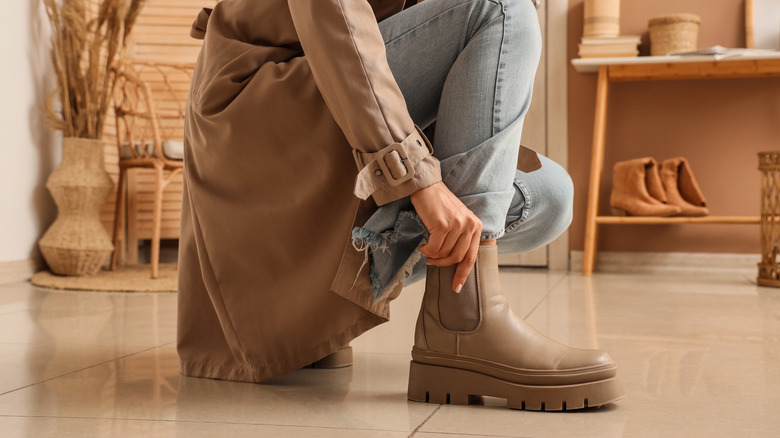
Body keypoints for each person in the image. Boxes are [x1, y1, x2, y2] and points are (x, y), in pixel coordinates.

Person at [178, 0, 624, 411]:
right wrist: (416, 178)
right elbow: (336, 19)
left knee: (547, 194)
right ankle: (462, 321)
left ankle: (318, 307)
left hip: (318, 111)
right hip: (261, 107)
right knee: (500, 7)